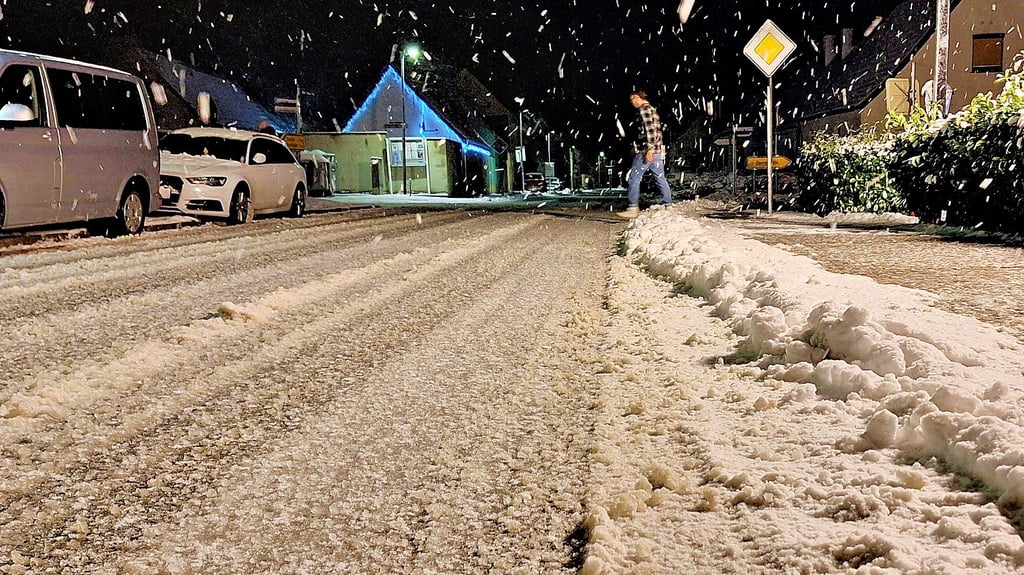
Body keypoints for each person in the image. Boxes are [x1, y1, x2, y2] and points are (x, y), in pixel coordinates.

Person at [617, 90, 672, 219]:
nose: (633, 102)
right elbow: (656, 131)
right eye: (631, 100)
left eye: (634, 99)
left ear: (640, 98)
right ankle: (668, 205)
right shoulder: (652, 109)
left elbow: (650, 131)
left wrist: (650, 149)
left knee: (634, 179)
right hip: (657, 151)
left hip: (647, 152)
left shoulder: (644, 110)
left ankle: (633, 208)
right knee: (660, 178)